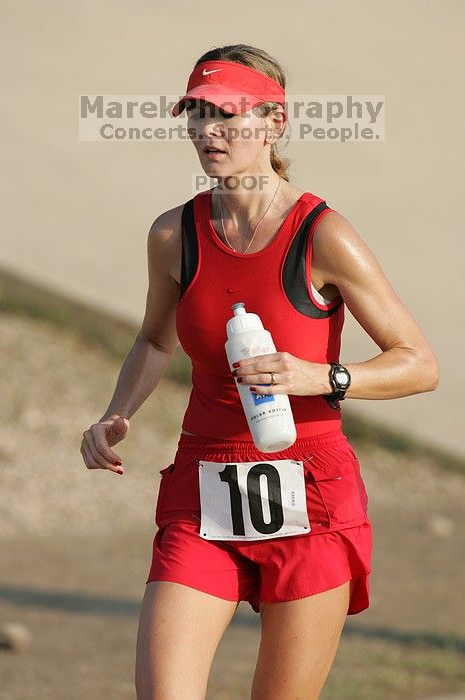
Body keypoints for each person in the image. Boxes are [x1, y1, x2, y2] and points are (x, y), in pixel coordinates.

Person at [80, 44, 439, 700]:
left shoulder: (324, 235)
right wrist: (117, 411)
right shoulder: (173, 235)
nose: (208, 132)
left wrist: (321, 377)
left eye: (227, 115)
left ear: (275, 123)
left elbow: (419, 364)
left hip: (313, 496)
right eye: (196, 114)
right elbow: (154, 340)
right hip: (203, 487)